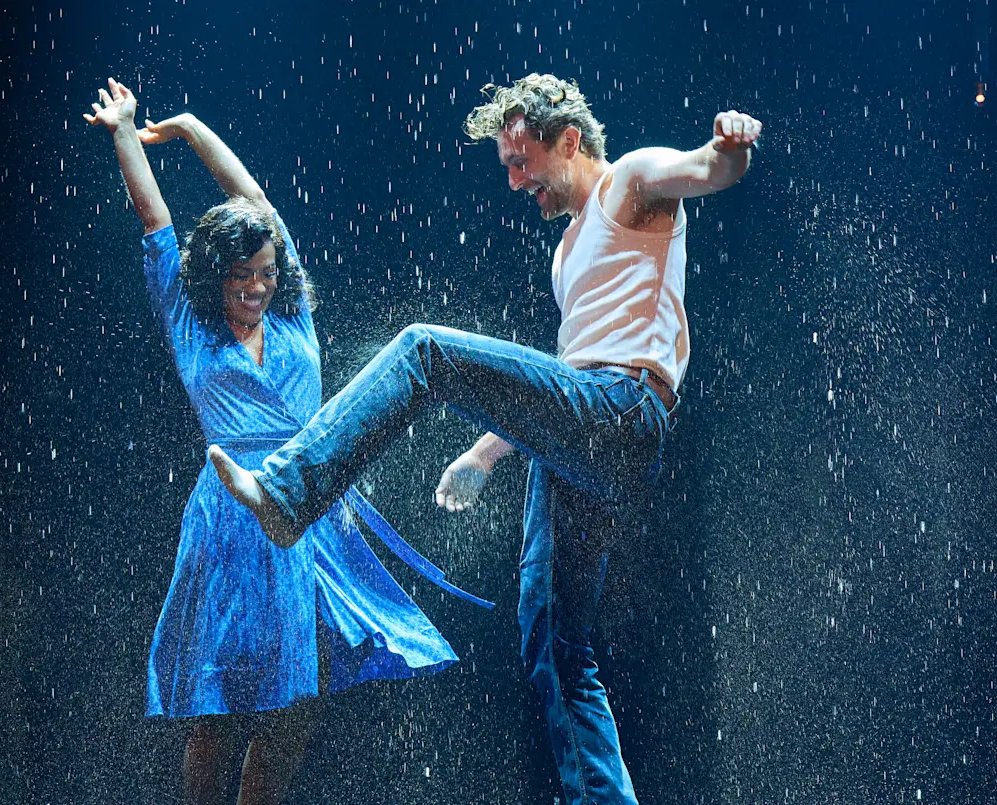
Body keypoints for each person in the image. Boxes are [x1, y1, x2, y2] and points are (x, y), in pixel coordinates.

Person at [208, 73, 762, 804]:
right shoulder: (565, 253)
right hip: (588, 432)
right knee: (556, 651)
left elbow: (706, 169)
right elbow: (561, 378)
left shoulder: (630, 180)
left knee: (423, 350)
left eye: (521, 160)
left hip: (624, 406)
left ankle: (288, 491)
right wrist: (482, 453)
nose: (513, 181)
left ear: (568, 140)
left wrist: (731, 144)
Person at [84, 77, 487, 805]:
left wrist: (194, 128)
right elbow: (155, 218)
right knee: (225, 701)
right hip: (232, 516)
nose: (258, 288)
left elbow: (259, 204)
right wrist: (124, 131)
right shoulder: (191, 318)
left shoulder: (293, 306)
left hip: (311, 502)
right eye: (243, 278)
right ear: (216, 278)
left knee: (306, 691)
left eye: (266, 275)